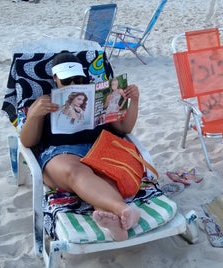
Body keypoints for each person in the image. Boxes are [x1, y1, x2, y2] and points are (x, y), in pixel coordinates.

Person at [19, 52, 142, 241]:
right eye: (66, 80)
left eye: (78, 79)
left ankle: (114, 223)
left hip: (97, 150)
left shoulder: (98, 96)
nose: (73, 84)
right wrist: (34, 115)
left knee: (106, 177)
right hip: (61, 154)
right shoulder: (45, 101)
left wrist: (134, 101)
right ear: (55, 78)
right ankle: (124, 210)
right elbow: (28, 142)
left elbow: (124, 128)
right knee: (75, 171)